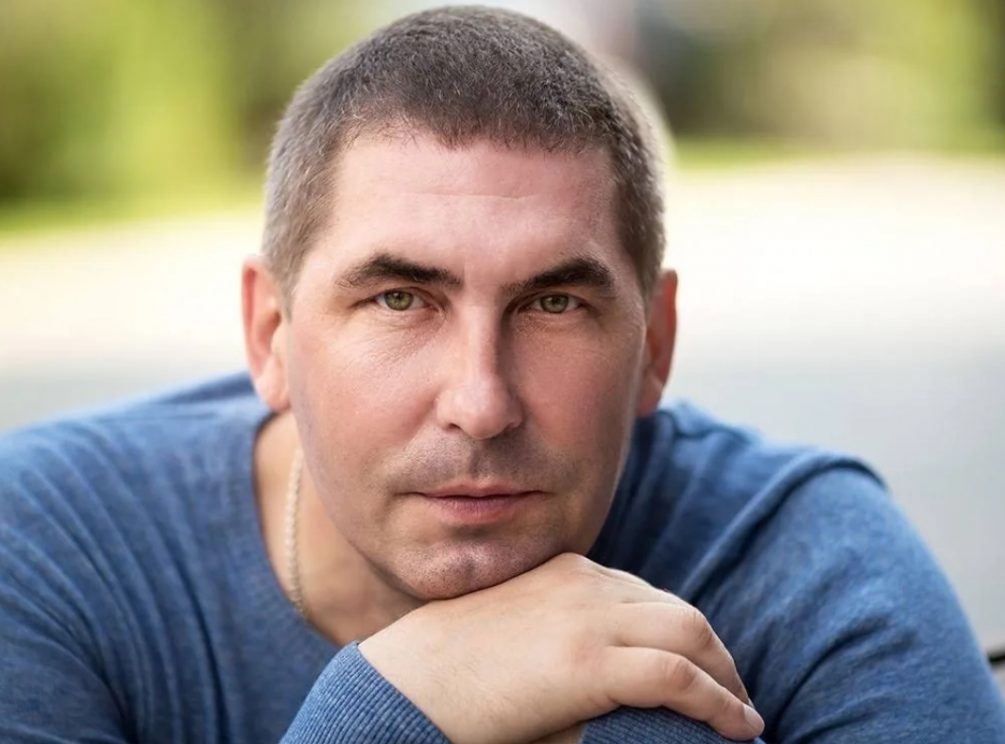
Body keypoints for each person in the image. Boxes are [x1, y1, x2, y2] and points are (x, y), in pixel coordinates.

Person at [1, 6, 1003, 743]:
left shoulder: (806, 566)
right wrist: (389, 712)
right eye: (400, 299)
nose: (481, 403)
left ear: (655, 345)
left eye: (553, 304)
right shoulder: (45, 548)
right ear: (270, 336)